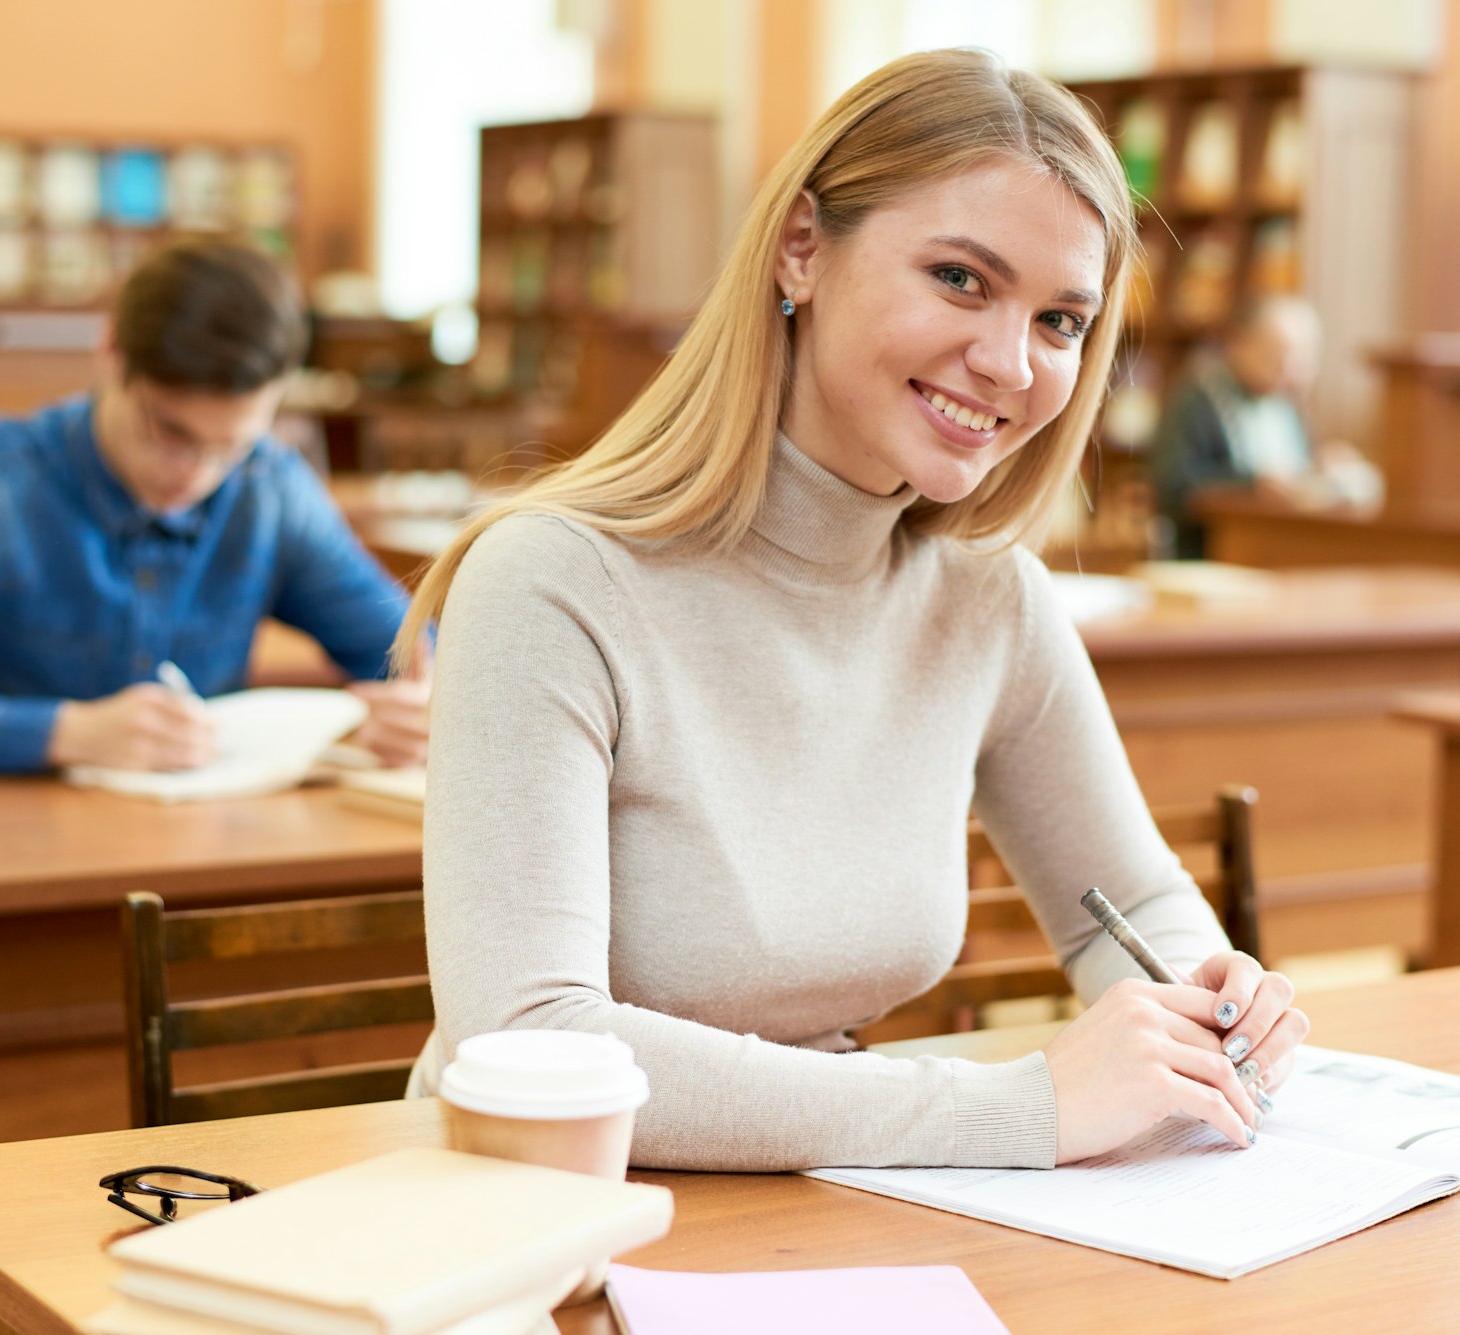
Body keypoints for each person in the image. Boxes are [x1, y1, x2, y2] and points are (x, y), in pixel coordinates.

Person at [397, 49, 1306, 1173]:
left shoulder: (991, 599)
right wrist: (1017, 1108)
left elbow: (1119, 904)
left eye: (1061, 321)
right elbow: (525, 1039)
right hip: (547, 1212)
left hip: (811, 1206)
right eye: (961, 280)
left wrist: (1206, 1007)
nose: (1008, 364)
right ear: (801, 249)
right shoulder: (550, 581)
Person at [0, 239, 429, 773]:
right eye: (171, 433)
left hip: (199, 869)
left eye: (230, 446)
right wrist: (65, 733)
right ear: (110, 351)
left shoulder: (271, 488)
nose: (195, 474)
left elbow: (416, 656)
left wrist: (425, 709)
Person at [1148, 294, 1379, 559]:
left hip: (1282, 545)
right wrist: (1252, 485)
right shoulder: (1199, 398)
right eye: (1280, 356)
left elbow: (1297, 474)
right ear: (1240, 344)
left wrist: (1321, 466)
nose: (1292, 370)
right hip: (1213, 551)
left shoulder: (1287, 404)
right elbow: (1172, 485)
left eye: (1302, 359)